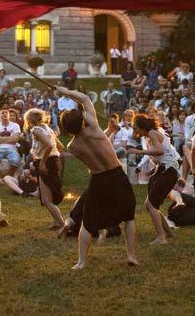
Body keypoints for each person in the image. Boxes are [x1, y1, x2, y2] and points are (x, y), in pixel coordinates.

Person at [55, 86, 137, 269]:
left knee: (87, 222)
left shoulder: (72, 146)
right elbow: (85, 98)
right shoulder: (94, 128)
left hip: (98, 180)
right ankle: (131, 256)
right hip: (116, 174)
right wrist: (65, 91)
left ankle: (81, 262)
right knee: (129, 217)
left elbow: (90, 165)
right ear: (83, 120)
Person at [129, 114, 181, 245]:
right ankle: (168, 232)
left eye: (136, 128)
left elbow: (159, 151)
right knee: (151, 204)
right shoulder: (149, 136)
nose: (135, 132)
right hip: (163, 169)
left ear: (142, 127)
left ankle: (161, 237)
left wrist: (139, 152)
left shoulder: (152, 133)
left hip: (168, 170)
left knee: (151, 204)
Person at [24, 108, 65, 230]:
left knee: (46, 199)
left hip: (46, 162)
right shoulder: (48, 129)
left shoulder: (36, 130)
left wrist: (42, 163)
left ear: (29, 120)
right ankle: (57, 222)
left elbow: (49, 145)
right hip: (54, 160)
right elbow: (60, 147)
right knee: (48, 196)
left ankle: (62, 224)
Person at [0, 108, 22, 181]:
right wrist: (11, 138)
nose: (4, 114)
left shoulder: (15, 125)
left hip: (12, 149)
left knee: (16, 160)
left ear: (9, 115)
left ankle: (8, 178)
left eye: (6, 113)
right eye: (2, 113)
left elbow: (16, 139)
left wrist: (1, 139)